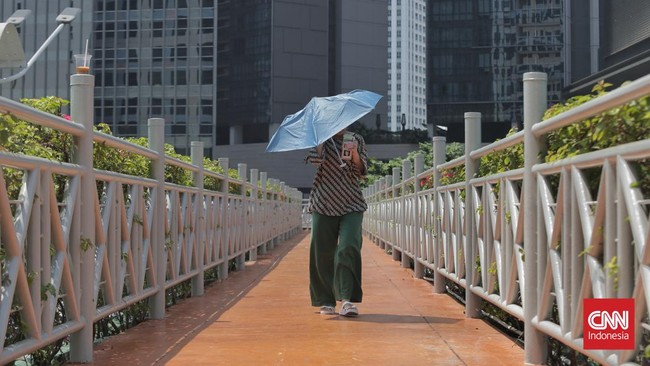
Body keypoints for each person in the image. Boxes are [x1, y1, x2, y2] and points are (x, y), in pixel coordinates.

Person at [305, 128, 368, 317]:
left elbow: (363, 172)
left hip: (352, 202)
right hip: (323, 201)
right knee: (321, 251)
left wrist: (355, 153)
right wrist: (321, 142)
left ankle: (347, 300)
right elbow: (315, 162)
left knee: (349, 246)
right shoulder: (319, 137)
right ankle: (325, 300)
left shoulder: (356, 138)